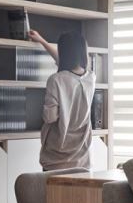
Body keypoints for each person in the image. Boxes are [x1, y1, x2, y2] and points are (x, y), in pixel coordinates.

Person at [31, 29, 96, 171]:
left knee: (53, 187)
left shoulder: (56, 80)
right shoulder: (91, 78)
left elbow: (50, 117)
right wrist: (41, 41)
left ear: (63, 52)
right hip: (82, 156)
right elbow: (68, 68)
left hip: (57, 156)